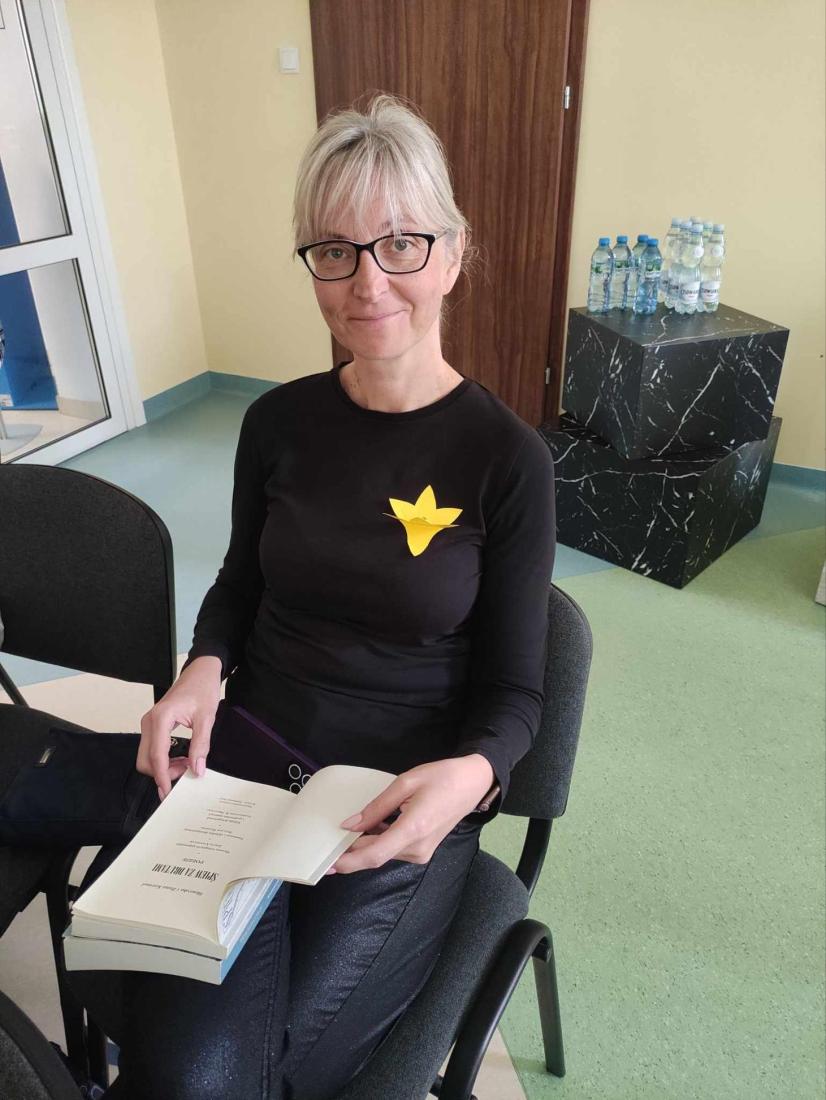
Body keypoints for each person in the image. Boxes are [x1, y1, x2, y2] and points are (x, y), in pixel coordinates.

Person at [71, 92, 556, 1100]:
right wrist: (200, 669)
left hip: (390, 801)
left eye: (400, 244)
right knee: (160, 1022)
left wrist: (471, 776)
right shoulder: (277, 423)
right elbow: (239, 585)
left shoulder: (507, 459)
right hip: (245, 769)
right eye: (334, 251)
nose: (366, 282)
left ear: (453, 255)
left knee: (257, 1066)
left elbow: (516, 693)